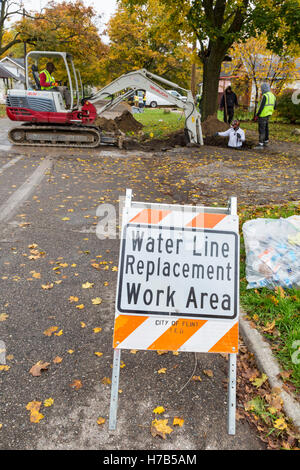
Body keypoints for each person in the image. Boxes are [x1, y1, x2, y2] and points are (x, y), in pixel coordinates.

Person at [254, 83, 276, 149]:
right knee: (266, 128)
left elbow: (261, 106)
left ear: (263, 89)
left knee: (261, 129)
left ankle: (260, 144)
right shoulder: (273, 96)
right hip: (268, 114)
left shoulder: (265, 96)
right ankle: (266, 141)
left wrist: (257, 115)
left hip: (262, 115)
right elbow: (275, 107)